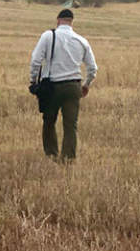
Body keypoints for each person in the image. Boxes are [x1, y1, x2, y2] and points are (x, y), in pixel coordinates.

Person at [30, 9, 97, 161]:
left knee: (49, 122)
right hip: (74, 86)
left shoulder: (48, 35)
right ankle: (68, 158)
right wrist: (86, 85)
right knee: (70, 125)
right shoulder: (81, 40)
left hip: (52, 87)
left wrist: (33, 81)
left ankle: (51, 155)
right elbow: (93, 68)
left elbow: (35, 60)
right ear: (72, 22)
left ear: (58, 20)